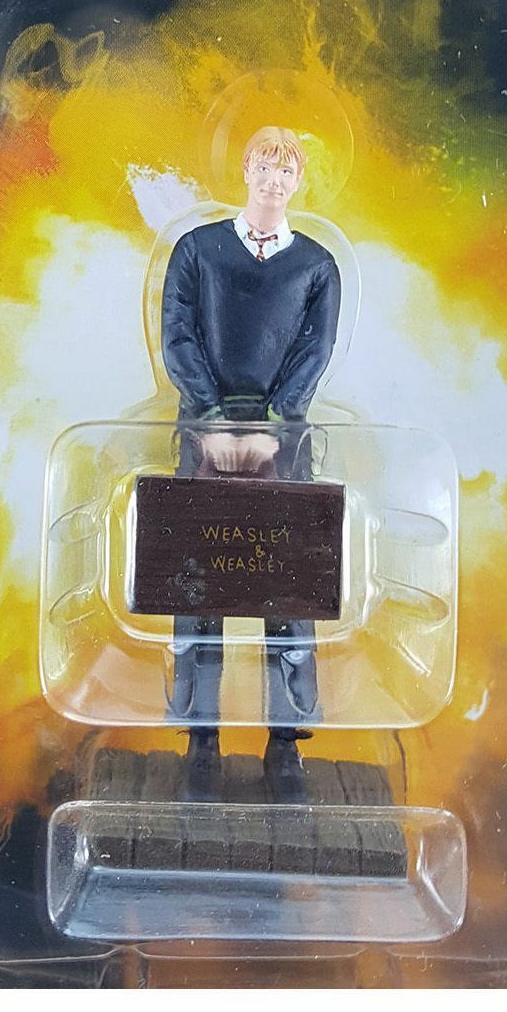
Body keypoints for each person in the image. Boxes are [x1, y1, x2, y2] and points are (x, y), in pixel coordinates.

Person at [160, 126, 341, 797]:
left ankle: (286, 743)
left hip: (282, 446)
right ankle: (200, 737)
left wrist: (273, 429)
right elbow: (178, 336)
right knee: (198, 584)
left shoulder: (317, 266)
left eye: (286, 171)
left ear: (299, 180)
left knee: (287, 587)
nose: (274, 181)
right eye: (264, 167)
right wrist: (211, 420)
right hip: (202, 438)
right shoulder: (196, 250)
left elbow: (312, 354)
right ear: (244, 170)